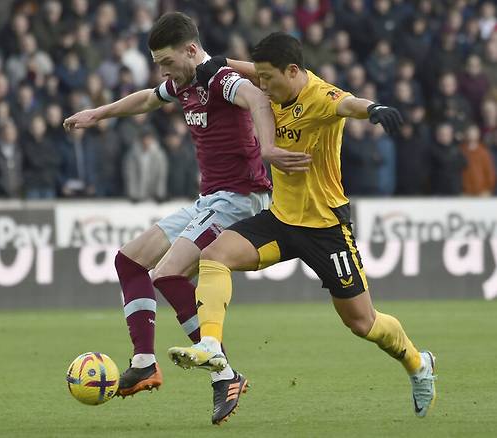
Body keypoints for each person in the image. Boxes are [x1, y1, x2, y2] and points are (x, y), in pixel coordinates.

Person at [168, 32, 437, 420]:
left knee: (363, 323)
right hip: (280, 220)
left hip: (326, 228)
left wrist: (374, 108)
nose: (262, 86)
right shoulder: (272, 86)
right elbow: (251, 73)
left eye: (269, 79)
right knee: (214, 255)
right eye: (259, 77)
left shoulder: (320, 97)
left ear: (293, 71)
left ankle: (417, 362)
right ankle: (211, 345)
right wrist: (219, 63)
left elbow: (349, 104)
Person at [63, 12, 311, 424]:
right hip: (209, 199)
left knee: (167, 274)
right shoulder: (185, 82)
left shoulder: (216, 78)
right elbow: (146, 98)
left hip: (240, 199)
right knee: (129, 260)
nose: (163, 71)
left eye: (166, 61)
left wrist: (266, 148)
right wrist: (98, 113)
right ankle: (144, 362)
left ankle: (225, 373)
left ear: (191, 50)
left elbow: (257, 97)